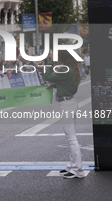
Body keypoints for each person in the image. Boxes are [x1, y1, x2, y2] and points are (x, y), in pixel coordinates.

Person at [45, 51, 85, 179]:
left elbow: (47, 76)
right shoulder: (72, 69)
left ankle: (77, 169)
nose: (56, 59)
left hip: (67, 105)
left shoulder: (65, 71)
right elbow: (65, 84)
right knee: (70, 137)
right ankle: (72, 165)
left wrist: (50, 62)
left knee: (71, 138)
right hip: (70, 103)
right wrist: (53, 85)